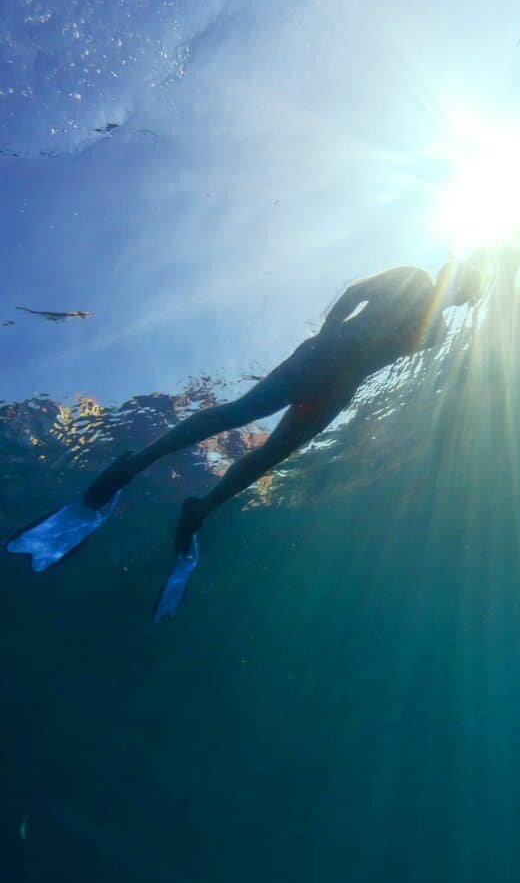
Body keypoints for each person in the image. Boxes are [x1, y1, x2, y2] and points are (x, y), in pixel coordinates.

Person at [7, 261, 481, 618]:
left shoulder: (437, 331)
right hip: (318, 360)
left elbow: (385, 359)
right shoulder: (414, 279)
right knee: (239, 413)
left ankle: (199, 510)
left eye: (473, 293)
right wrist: (325, 339)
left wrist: (341, 389)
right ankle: (129, 466)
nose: (467, 295)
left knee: (271, 456)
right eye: (470, 283)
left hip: (340, 387)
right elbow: (356, 292)